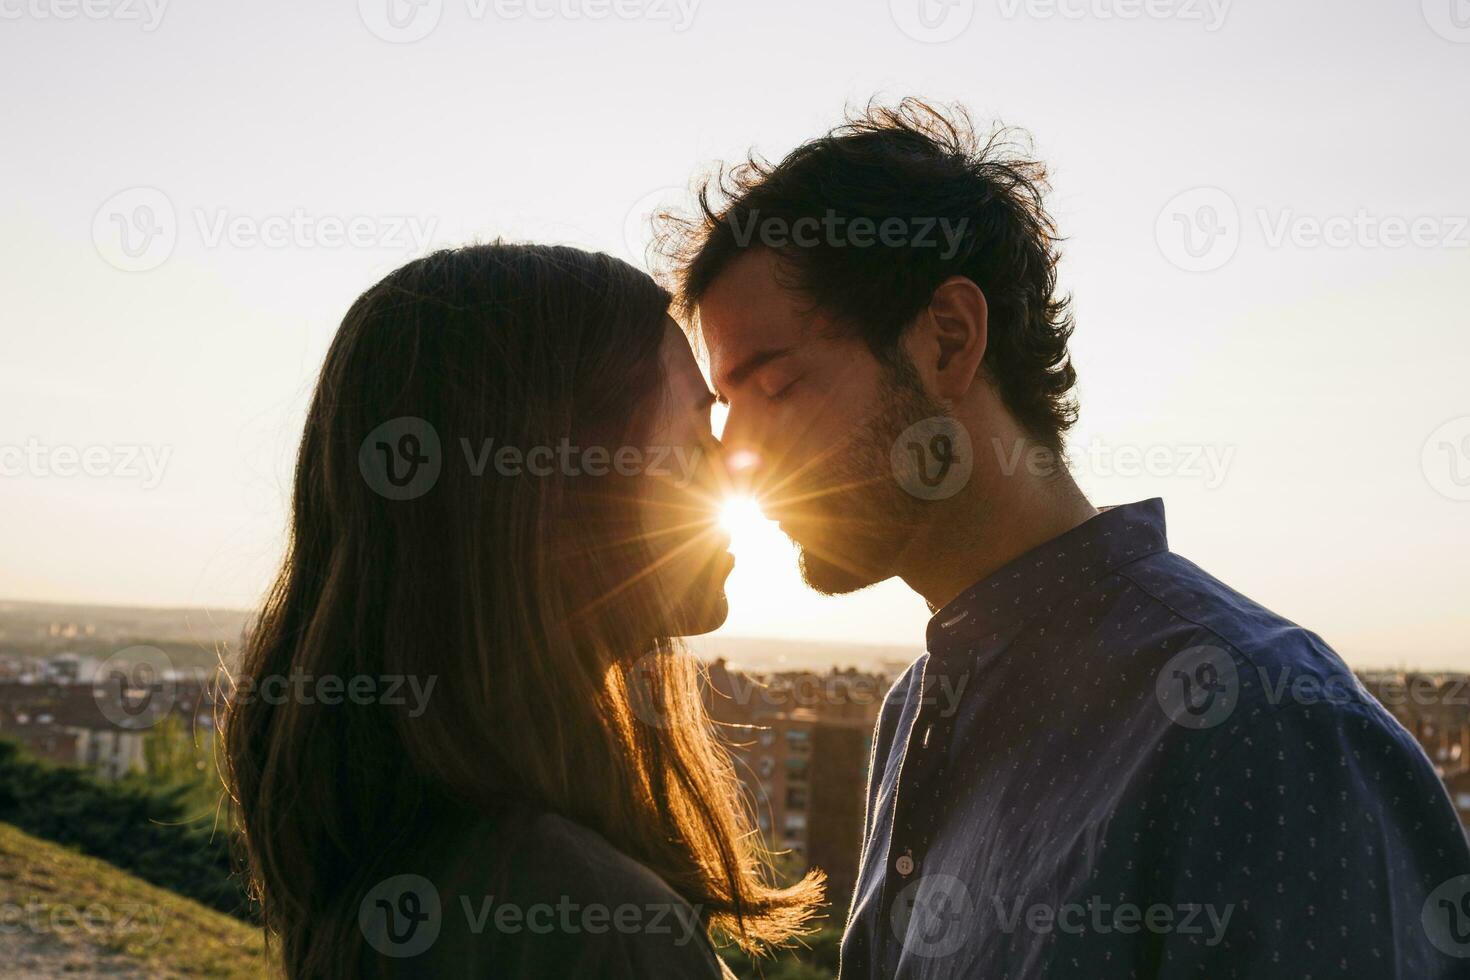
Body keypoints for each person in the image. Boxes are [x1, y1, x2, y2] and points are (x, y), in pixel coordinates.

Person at [659, 98, 1470, 977]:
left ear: (949, 341)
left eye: (774, 387)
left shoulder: (1263, 722)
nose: (736, 458)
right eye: (725, 408)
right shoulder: (916, 713)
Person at [223, 244, 823, 978]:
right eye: (696, 428)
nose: (735, 463)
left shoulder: (407, 853)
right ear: (555, 482)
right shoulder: (581, 920)